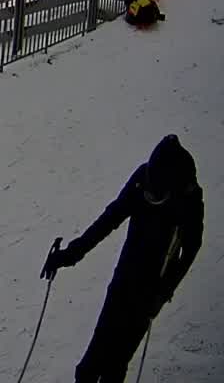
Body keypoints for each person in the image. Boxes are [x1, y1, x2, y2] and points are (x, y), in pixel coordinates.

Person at [43, 133, 204, 382]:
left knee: (115, 366)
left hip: (152, 288)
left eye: (156, 197)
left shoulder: (189, 197)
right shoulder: (143, 179)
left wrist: (165, 290)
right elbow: (111, 218)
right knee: (89, 365)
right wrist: (69, 256)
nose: (150, 198)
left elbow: (192, 247)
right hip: (125, 277)